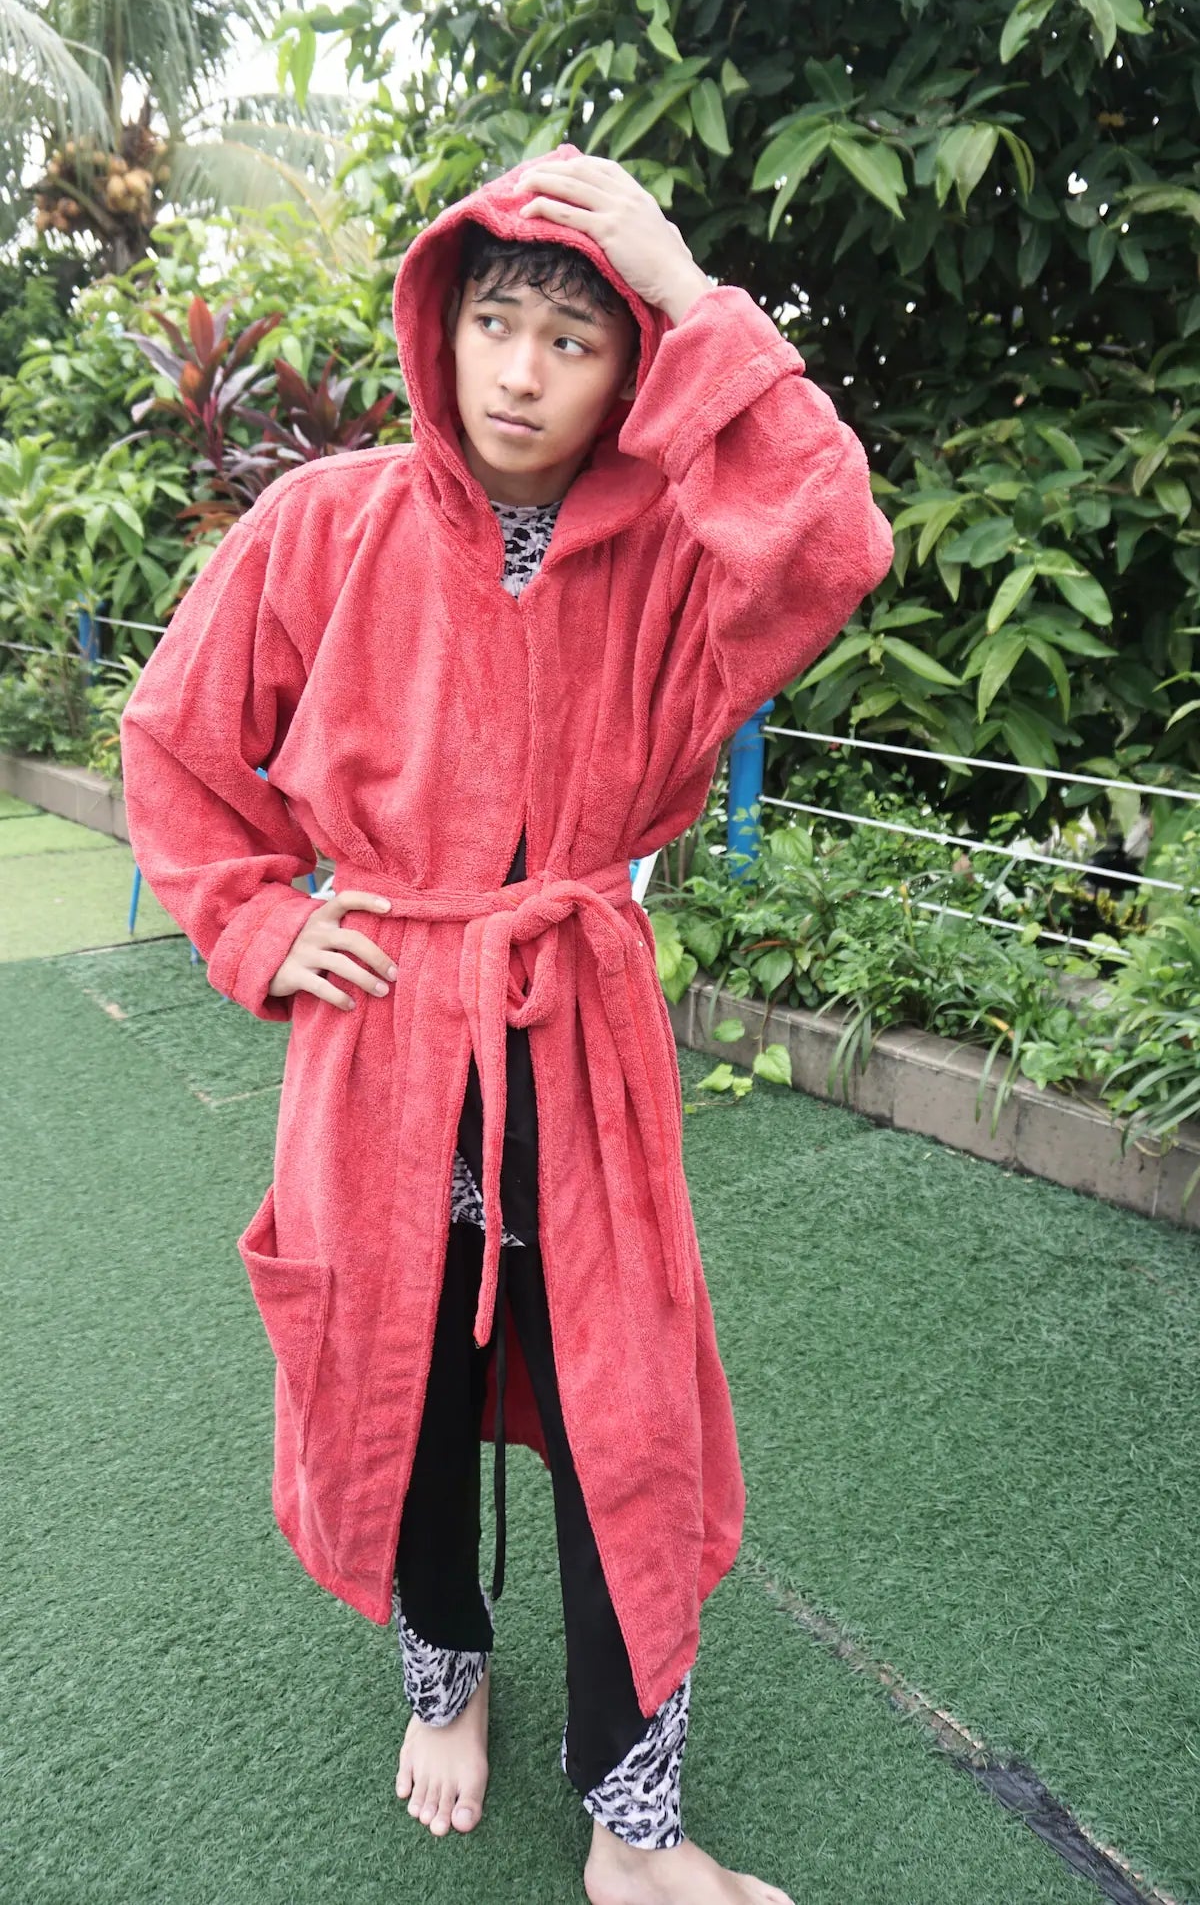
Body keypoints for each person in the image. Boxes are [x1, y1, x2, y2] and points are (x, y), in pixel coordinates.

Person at [119, 146, 893, 1905]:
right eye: (493, 322)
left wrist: (688, 289)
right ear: (439, 327)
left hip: (576, 1029)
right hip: (389, 1039)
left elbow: (832, 538)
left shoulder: (682, 549)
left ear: (630, 373)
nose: (523, 371)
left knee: (630, 1415)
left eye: (574, 337)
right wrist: (260, 922)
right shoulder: (327, 524)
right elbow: (176, 741)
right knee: (398, 1372)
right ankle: (442, 1677)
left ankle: (637, 1826)